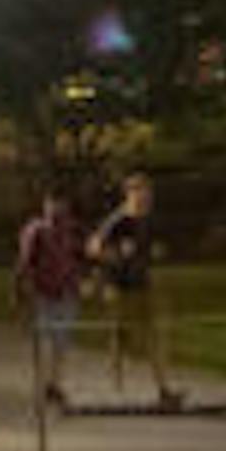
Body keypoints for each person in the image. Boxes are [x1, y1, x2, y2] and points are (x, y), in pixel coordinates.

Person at [87, 173, 183, 410]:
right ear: (129, 194)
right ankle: (115, 382)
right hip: (118, 287)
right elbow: (93, 248)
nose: (145, 198)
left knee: (154, 337)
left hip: (143, 285)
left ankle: (164, 390)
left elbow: (150, 248)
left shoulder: (148, 220)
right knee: (120, 337)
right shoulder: (118, 220)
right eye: (140, 194)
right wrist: (117, 255)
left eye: (148, 194)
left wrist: (155, 252)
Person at [14, 190, 85, 408]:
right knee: (44, 343)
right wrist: (18, 290)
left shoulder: (73, 229)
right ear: (45, 206)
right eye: (53, 205)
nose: (57, 210)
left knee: (61, 344)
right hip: (44, 293)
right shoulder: (36, 230)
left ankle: (55, 385)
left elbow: (83, 255)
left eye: (61, 206)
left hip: (68, 293)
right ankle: (42, 386)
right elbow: (25, 262)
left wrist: (89, 278)